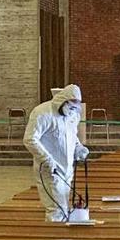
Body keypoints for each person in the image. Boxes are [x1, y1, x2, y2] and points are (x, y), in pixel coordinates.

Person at [23, 84, 90, 222]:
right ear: (63, 101)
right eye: (70, 107)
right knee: (56, 210)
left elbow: (71, 136)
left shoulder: (72, 115)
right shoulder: (43, 113)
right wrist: (46, 159)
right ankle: (55, 239)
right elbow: (30, 139)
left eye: (74, 108)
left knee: (64, 207)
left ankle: (62, 239)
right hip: (49, 169)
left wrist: (78, 148)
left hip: (66, 169)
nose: (72, 110)